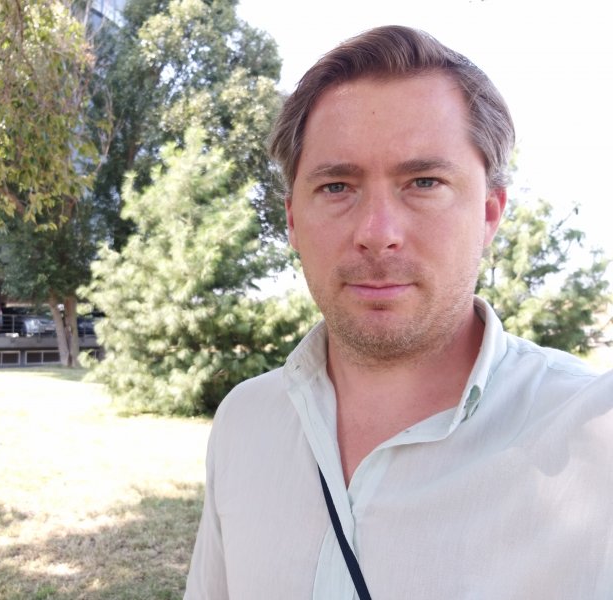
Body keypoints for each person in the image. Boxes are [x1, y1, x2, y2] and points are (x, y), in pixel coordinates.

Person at [184, 25, 613, 599]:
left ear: (489, 214)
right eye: (337, 186)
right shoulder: (244, 423)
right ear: (292, 220)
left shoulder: (595, 443)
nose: (376, 232)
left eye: (424, 182)